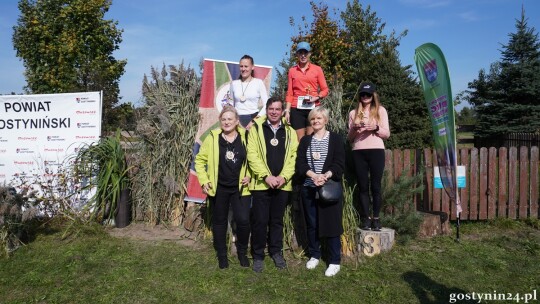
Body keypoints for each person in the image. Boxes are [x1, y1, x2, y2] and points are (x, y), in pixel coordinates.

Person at [194, 106, 251, 269]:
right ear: (220, 121)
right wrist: (204, 181)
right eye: (224, 119)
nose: (226, 122)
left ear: (236, 121)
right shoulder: (212, 138)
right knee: (219, 222)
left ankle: (242, 253)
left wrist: (251, 176)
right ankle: (222, 255)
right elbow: (199, 160)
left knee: (243, 221)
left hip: (240, 188)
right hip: (219, 188)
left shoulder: (246, 137)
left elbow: (254, 159)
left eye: (230, 119)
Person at [247, 96, 298, 273]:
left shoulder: (290, 131)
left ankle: (276, 252)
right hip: (262, 184)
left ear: (282, 111)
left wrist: (284, 177)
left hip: (282, 185)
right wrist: (266, 176)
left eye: (277, 109)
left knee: (276, 221)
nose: (274, 112)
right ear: (267, 110)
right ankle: (258, 255)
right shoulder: (256, 128)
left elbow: (294, 157)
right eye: (271, 109)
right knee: (260, 221)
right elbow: (252, 154)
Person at [295, 107, 345, 277]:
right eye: (313, 119)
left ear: (326, 120)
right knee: (312, 224)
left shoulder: (336, 139)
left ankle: (334, 260)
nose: (316, 121)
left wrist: (326, 175)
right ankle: (315, 255)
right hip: (309, 187)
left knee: (331, 224)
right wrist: (313, 175)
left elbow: (339, 163)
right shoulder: (305, 141)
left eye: (319, 118)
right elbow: (300, 164)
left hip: (328, 189)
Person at [347, 82, 390, 231]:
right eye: (363, 94)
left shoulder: (380, 111)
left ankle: (376, 218)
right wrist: (355, 128)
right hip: (358, 151)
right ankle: (366, 218)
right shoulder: (353, 113)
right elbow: (350, 138)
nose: (365, 97)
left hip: (376, 150)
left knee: (376, 186)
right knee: (363, 187)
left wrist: (376, 128)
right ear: (360, 96)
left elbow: (387, 134)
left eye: (368, 94)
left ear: (373, 96)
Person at [284, 41, 329, 141]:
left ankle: (311, 157)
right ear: (297, 54)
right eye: (300, 53)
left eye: (305, 53)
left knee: (311, 138)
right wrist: (287, 110)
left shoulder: (317, 69)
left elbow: (325, 90)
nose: (303, 55)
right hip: (296, 108)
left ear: (309, 54)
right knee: (299, 140)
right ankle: (300, 157)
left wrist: (317, 97)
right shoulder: (292, 70)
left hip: (313, 108)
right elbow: (290, 92)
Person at [229, 55, 269, 129]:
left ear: (252, 67)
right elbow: (230, 104)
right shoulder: (234, 84)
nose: (243, 69)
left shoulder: (258, 83)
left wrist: (254, 121)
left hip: (253, 119)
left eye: (246, 66)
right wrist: (235, 120)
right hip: (237, 120)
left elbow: (267, 104)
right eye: (241, 66)